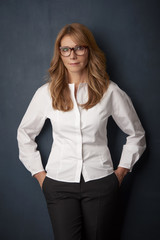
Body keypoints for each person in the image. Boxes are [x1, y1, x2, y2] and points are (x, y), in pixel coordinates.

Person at [17, 23, 146, 240]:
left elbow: (137, 134)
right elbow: (25, 134)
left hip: (101, 183)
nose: (72, 55)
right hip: (58, 184)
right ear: (59, 53)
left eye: (79, 48)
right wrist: (40, 176)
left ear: (89, 51)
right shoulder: (46, 93)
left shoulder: (109, 91)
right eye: (66, 49)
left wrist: (120, 173)